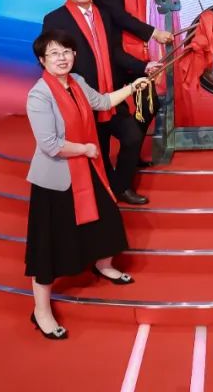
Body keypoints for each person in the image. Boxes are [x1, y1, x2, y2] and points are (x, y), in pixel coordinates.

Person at [25, 29, 151, 340]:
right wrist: (85, 149)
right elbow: (50, 144)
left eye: (66, 51)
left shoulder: (78, 82)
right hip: (56, 178)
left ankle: (103, 265)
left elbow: (103, 102)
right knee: (48, 246)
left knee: (107, 219)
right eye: (54, 53)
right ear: (42, 60)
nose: (62, 58)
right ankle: (41, 310)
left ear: (74, 55)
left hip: (87, 166)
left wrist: (133, 87)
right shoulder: (39, 95)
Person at [42, 0, 155, 205]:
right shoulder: (55, 19)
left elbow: (115, 52)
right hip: (80, 98)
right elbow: (50, 61)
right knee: (98, 149)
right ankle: (105, 192)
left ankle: (121, 187)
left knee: (132, 137)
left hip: (110, 94)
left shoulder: (104, 15)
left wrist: (143, 67)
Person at [95, 0, 172, 150]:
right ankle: (111, 161)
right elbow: (119, 17)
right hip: (113, 53)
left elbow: (136, 18)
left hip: (137, 52)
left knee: (148, 105)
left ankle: (130, 155)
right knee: (109, 114)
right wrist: (154, 33)